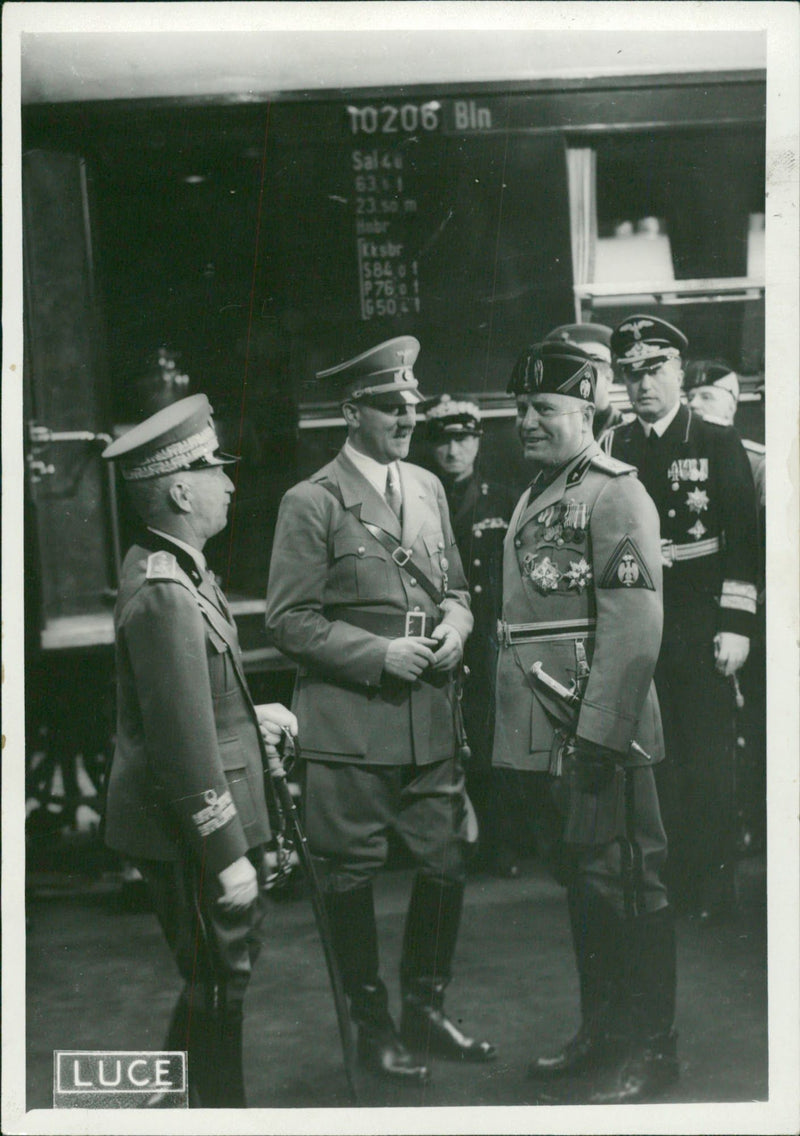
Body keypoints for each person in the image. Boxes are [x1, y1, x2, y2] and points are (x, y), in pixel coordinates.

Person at [264, 337, 495, 1085]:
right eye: (391, 405)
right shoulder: (313, 501)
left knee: (446, 859)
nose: (407, 416)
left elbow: (456, 587)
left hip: (429, 719)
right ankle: (372, 1026)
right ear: (350, 410)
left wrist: (458, 627)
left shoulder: (427, 487)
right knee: (348, 876)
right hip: (351, 725)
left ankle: (425, 1009)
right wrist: (376, 655)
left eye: (412, 404)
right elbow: (289, 620)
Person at [493, 340, 677, 1105]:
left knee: (630, 881)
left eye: (545, 409)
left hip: (603, 727)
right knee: (587, 883)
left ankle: (652, 1051)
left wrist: (601, 736)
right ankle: (602, 1031)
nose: (526, 421)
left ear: (590, 409)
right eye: (521, 409)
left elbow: (634, 628)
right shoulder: (543, 487)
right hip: (552, 724)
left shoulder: (614, 493)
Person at [102, 395, 298, 1108]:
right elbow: (180, 743)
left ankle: (172, 1095)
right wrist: (227, 853)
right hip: (187, 827)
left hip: (187, 816)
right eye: (214, 468)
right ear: (181, 489)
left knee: (220, 971)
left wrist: (254, 710)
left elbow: (197, 697)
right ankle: (220, 1113)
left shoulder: (179, 570)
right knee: (221, 975)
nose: (230, 483)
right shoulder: (166, 592)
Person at [606, 317, 759, 921]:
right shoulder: (614, 445)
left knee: (707, 758)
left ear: (676, 371)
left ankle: (713, 888)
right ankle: (660, 885)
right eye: (631, 373)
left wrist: (737, 624)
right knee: (652, 759)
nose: (643, 384)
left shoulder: (716, 439)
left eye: (654, 370)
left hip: (701, 624)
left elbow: (744, 540)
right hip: (637, 625)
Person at [422, 394, 518, 874]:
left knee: (489, 739)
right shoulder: (418, 499)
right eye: (443, 441)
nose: (453, 451)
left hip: (489, 638)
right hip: (442, 632)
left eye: (463, 439)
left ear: (478, 441)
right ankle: (452, 843)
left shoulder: (502, 499)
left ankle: (498, 845)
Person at [682, 358, 766, 854]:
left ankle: (751, 823)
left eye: (709, 397)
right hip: (697, 619)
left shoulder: (755, 462)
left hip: (749, 616)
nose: (696, 405)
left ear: (734, 406)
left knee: (750, 729)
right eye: (690, 397)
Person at [544, 322, 628, 440]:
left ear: (609, 377)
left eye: (585, 377)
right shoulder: (557, 431)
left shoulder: (627, 432)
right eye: (570, 378)